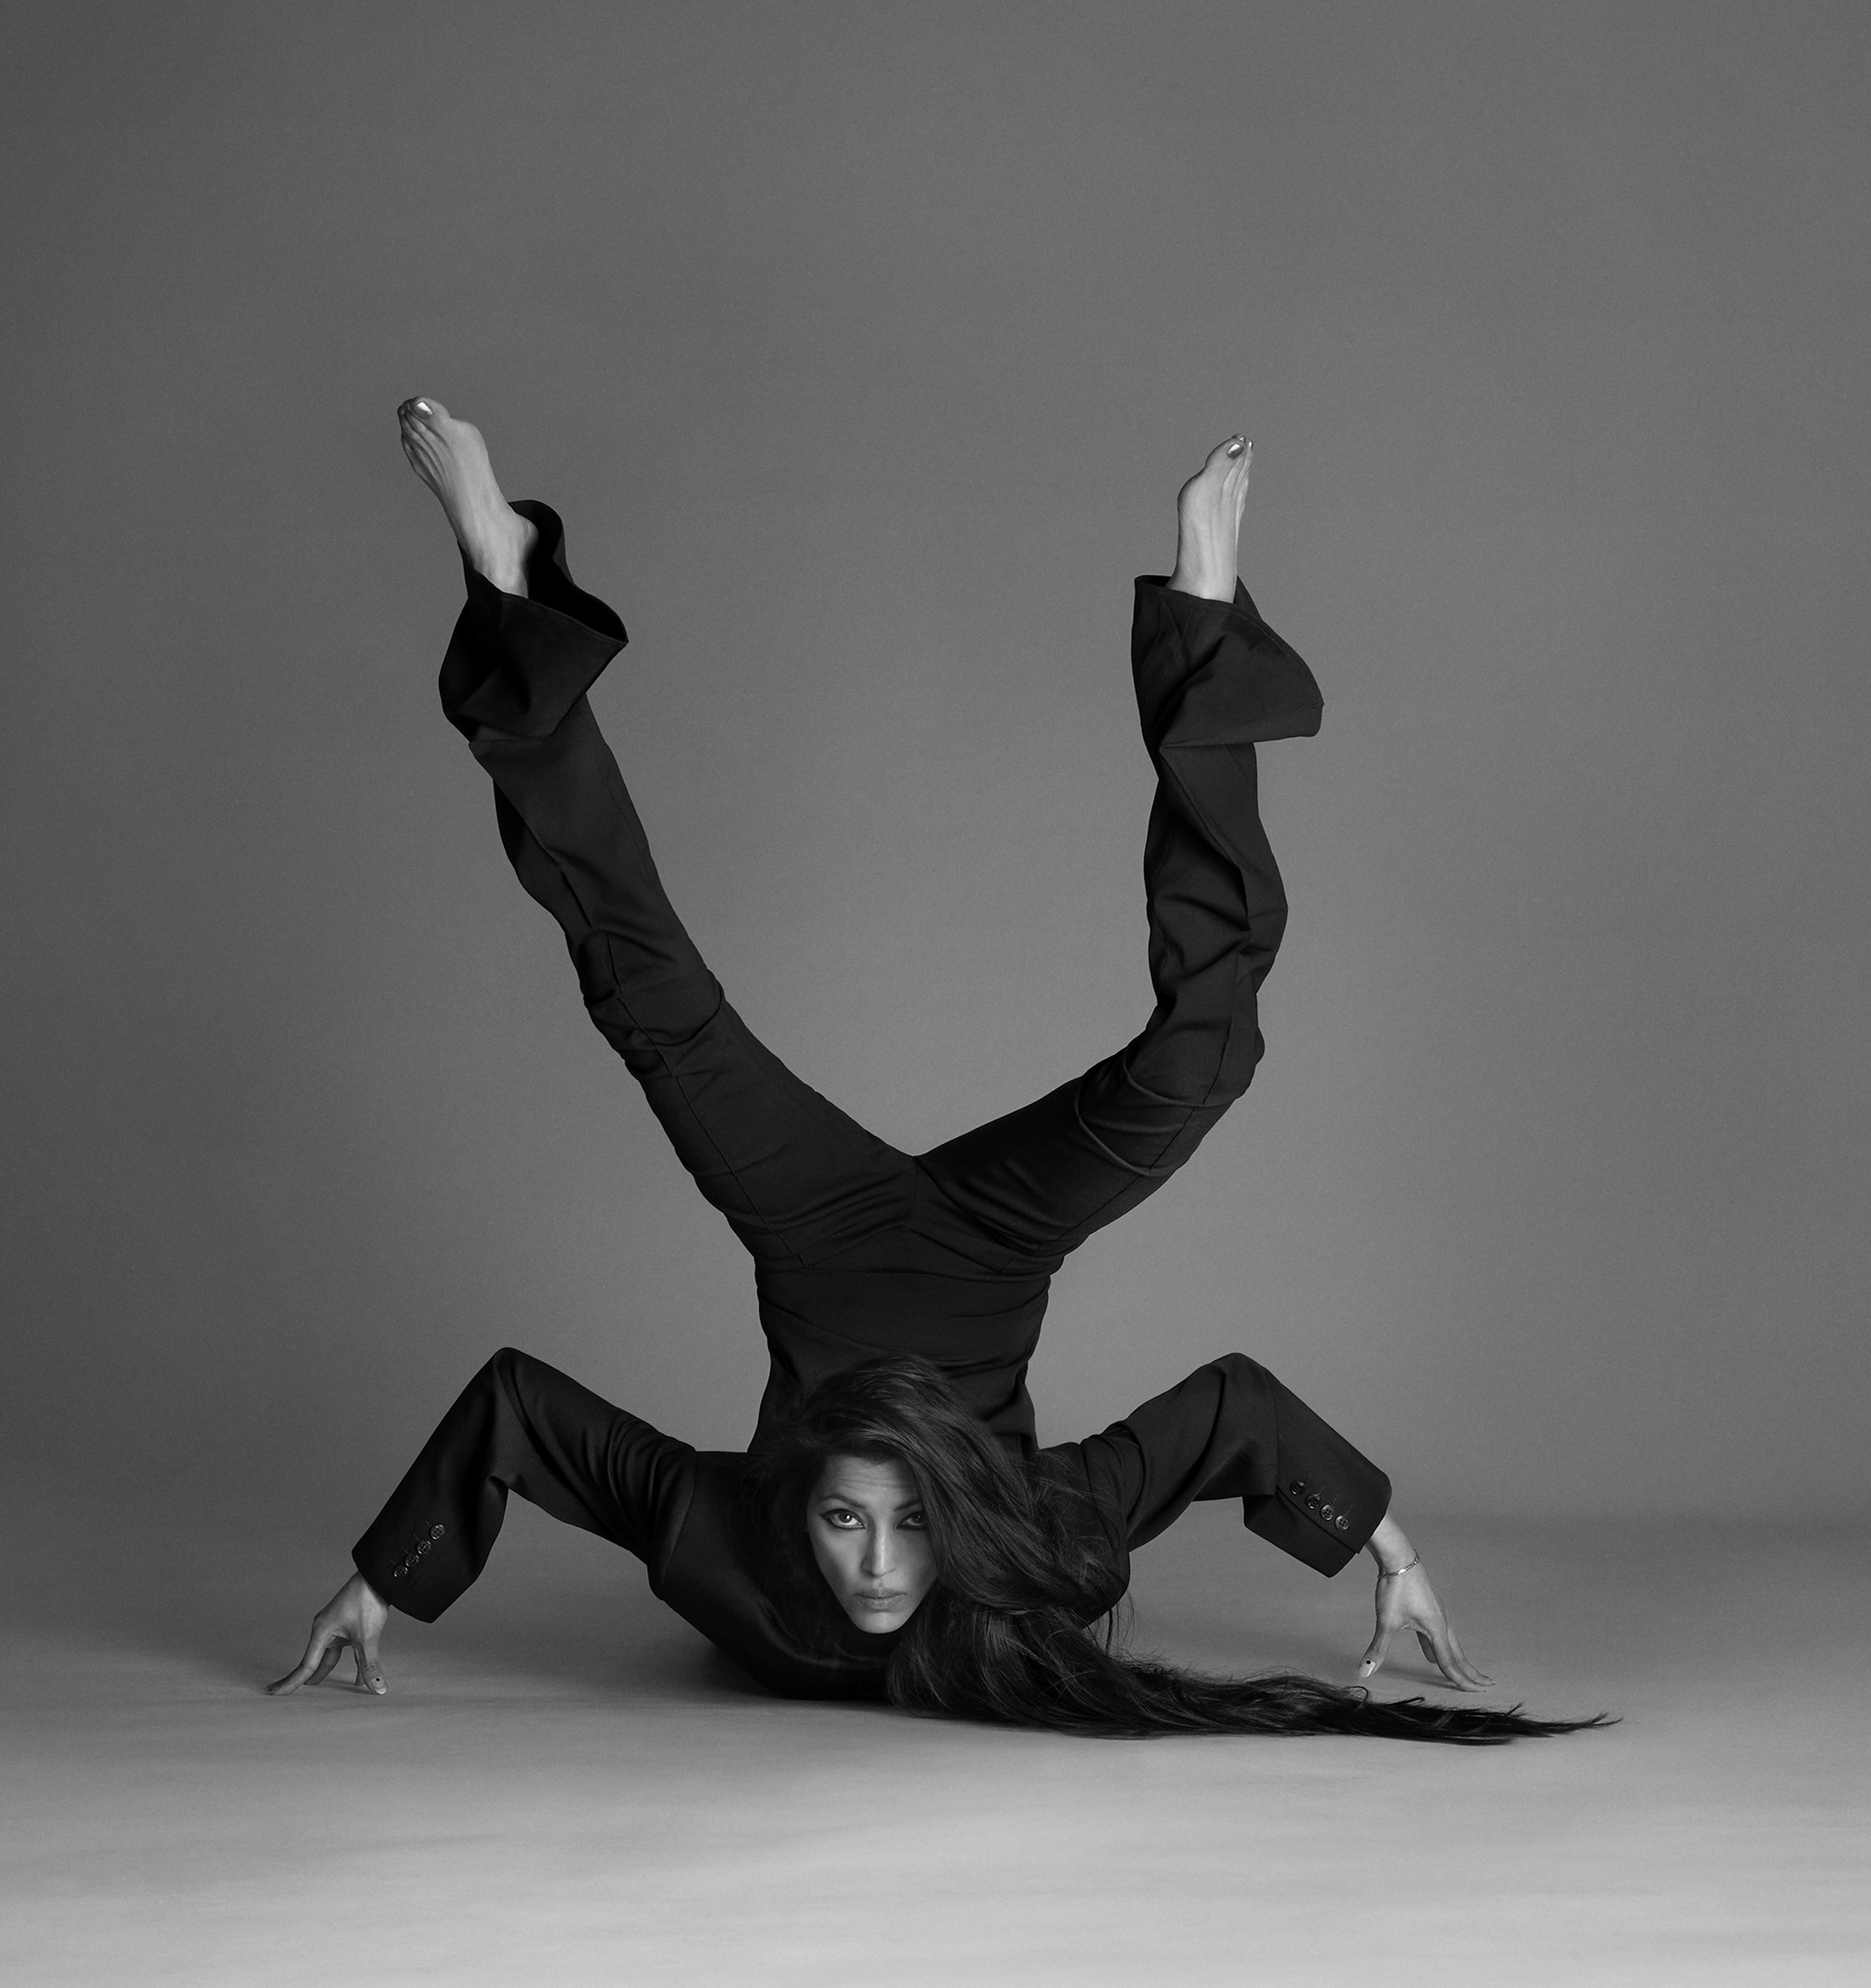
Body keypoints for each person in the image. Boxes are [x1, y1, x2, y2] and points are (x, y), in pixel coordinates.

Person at [269, 404, 1602, 1743]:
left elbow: (518, 1410)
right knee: (1206, 1057)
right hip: (994, 1247)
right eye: (863, 1521)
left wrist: (379, 1584)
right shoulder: (1045, 1548)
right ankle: (1202, 623)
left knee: (646, 988)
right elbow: (1233, 1414)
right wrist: (1391, 1553)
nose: (879, 1564)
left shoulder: (727, 1551)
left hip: (811, 1231)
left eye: (889, 1522)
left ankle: (509, 589)